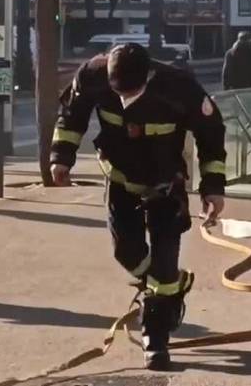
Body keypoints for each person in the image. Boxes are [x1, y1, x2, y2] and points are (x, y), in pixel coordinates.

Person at [50, 43, 226, 370]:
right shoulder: (92, 75)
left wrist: (213, 189)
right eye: (118, 92)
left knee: (162, 260)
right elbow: (72, 115)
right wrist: (61, 157)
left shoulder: (180, 87)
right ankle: (171, 286)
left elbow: (212, 133)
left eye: (132, 91)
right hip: (120, 177)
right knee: (126, 251)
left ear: (148, 76)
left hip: (165, 183)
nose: (124, 100)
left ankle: (155, 339)